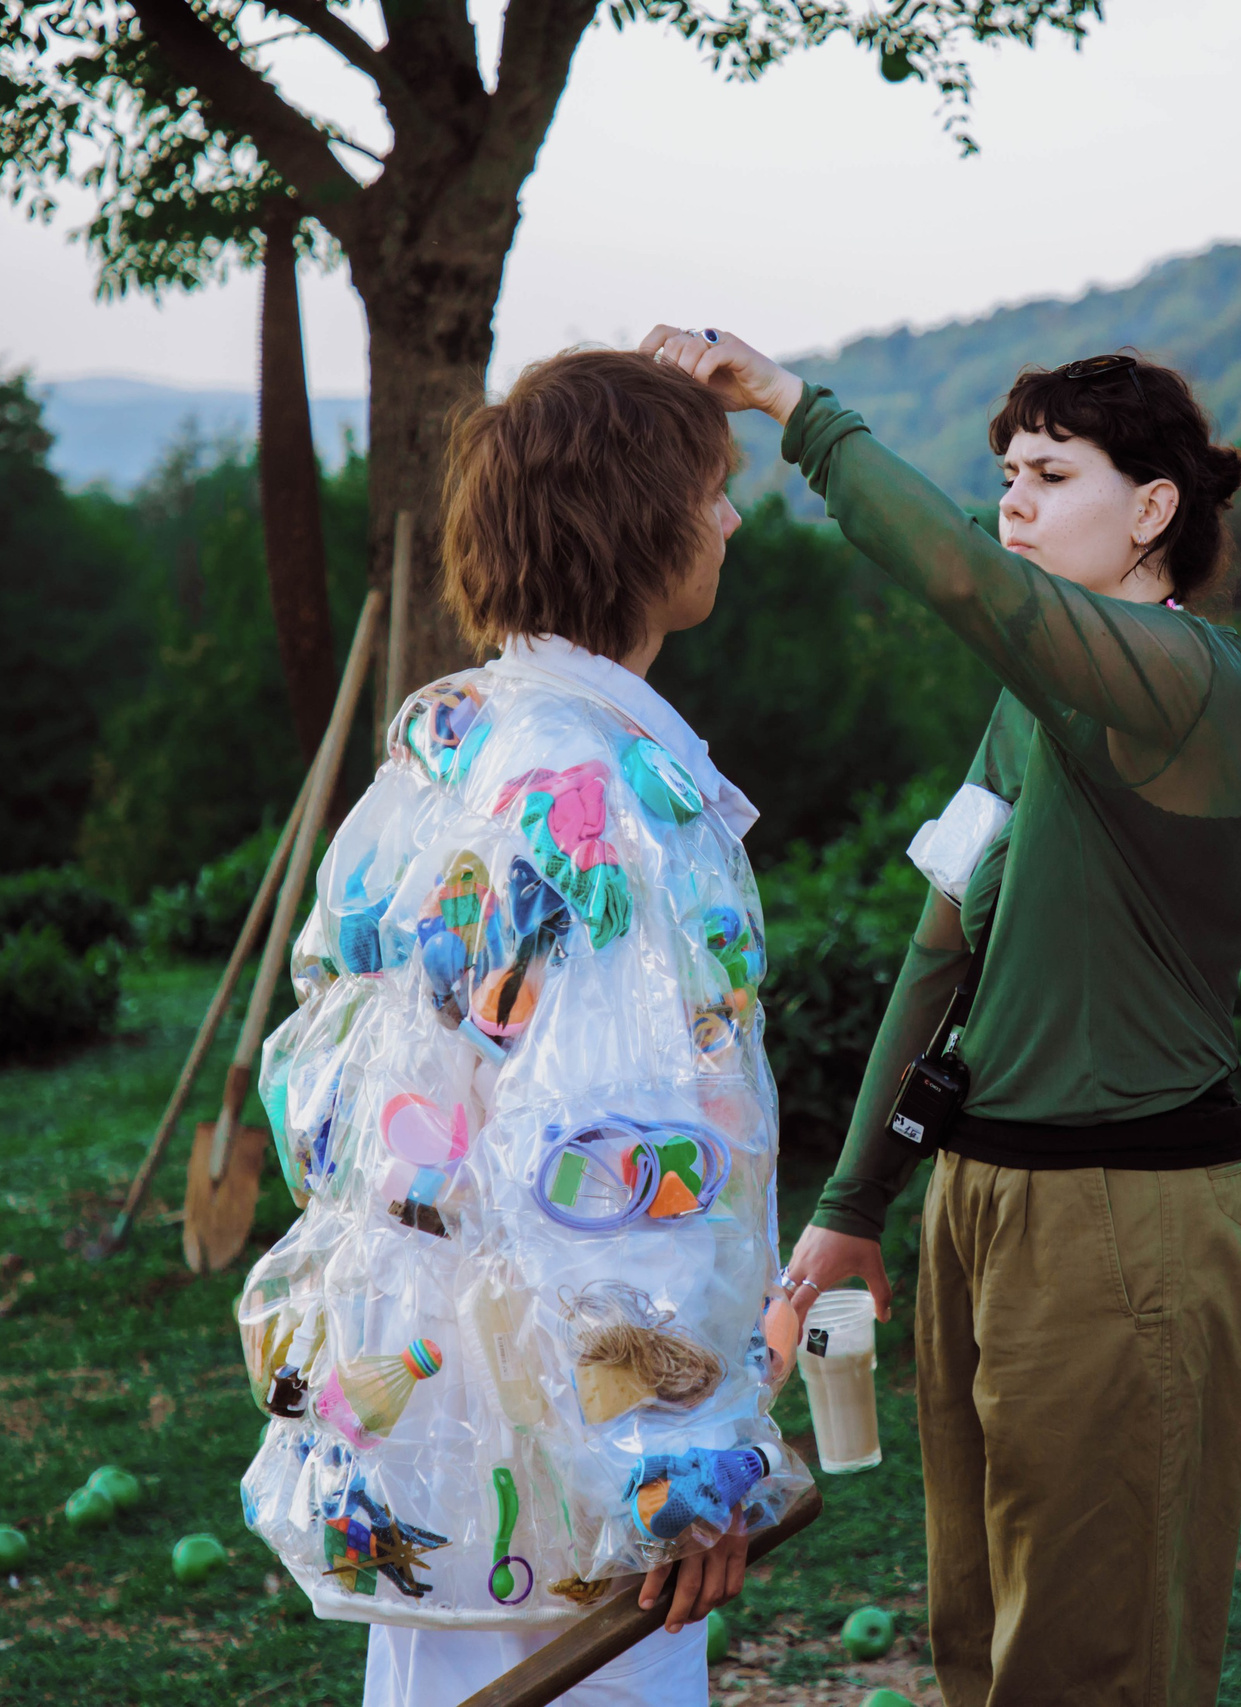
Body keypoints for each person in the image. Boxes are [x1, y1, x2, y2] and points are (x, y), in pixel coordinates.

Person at [642, 325, 1241, 1707]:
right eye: (1005, 476)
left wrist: (797, 414)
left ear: (1154, 510)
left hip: (1129, 1213)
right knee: (982, 1632)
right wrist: (858, 1202)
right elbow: (943, 959)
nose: (1014, 504)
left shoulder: (1190, 689)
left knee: (1094, 1653)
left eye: (1051, 475)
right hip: (979, 1203)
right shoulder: (1031, 716)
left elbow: (968, 583)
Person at [231, 348, 807, 1707]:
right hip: (567, 1469)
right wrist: (677, 1468)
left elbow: (335, 1086)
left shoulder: (457, 743)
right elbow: (611, 1154)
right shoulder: (588, 791)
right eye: (711, 492)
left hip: (442, 1426)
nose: (729, 521)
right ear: (638, 520)